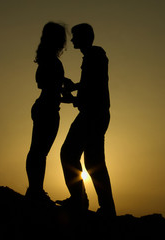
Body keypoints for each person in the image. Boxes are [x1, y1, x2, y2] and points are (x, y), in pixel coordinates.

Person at [58, 23, 116, 217]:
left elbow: (92, 88)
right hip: (97, 114)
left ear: (84, 37)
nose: (72, 40)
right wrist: (75, 89)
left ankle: (79, 200)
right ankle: (107, 209)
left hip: (91, 115)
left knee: (68, 154)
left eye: (75, 36)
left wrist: (74, 97)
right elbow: (91, 84)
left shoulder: (94, 57)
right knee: (94, 163)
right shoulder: (95, 56)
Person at [25, 22, 70, 207]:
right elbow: (51, 87)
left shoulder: (46, 59)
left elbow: (50, 84)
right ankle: (35, 190)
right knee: (39, 152)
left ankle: (35, 189)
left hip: (45, 106)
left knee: (38, 151)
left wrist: (64, 84)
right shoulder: (50, 60)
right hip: (47, 109)